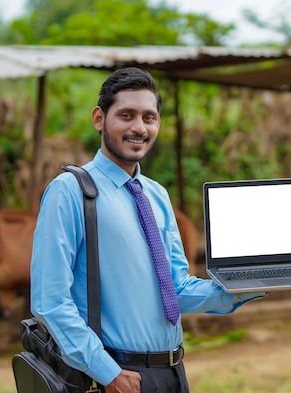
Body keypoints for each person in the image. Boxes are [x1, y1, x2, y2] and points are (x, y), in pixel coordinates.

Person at [30, 67, 264, 393]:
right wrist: (107, 372)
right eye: (126, 115)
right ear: (99, 118)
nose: (139, 128)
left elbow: (177, 290)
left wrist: (262, 280)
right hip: (115, 376)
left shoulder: (156, 194)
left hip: (172, 373)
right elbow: (50, 301)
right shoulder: (69, 191)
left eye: (149, 117)